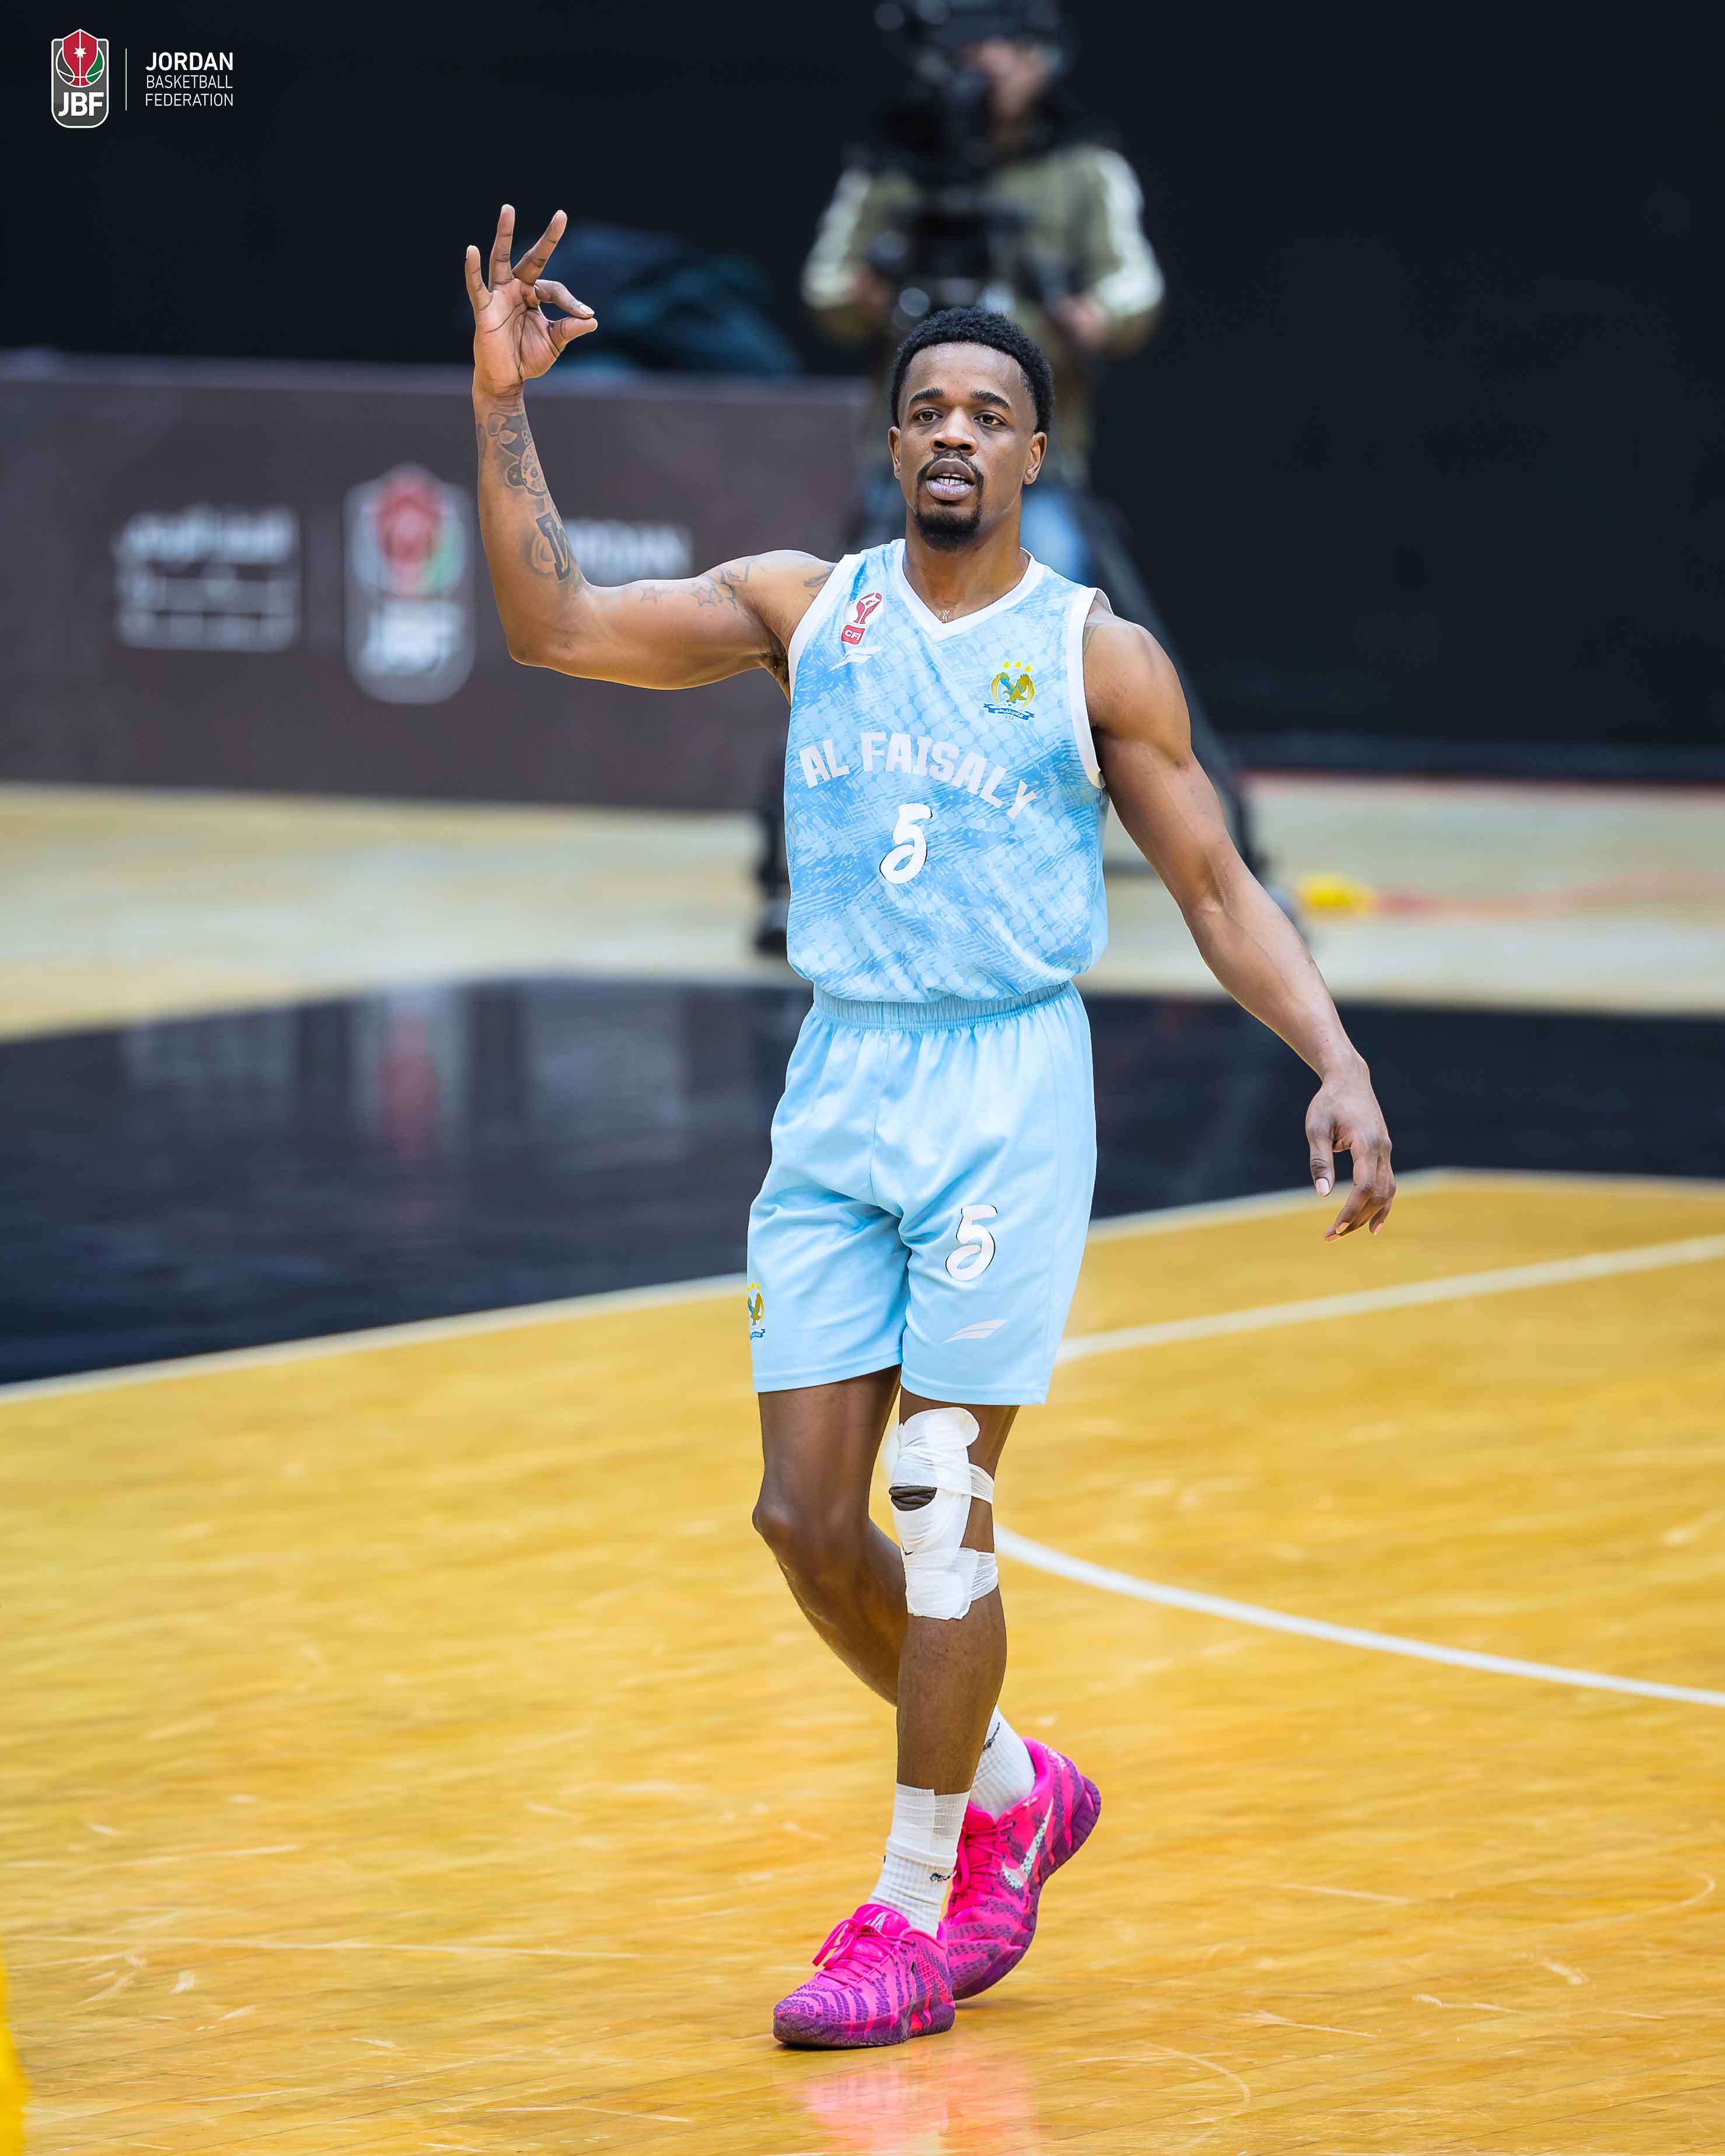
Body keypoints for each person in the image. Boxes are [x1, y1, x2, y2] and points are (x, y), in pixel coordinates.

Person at [466, 205, 1396, 2051]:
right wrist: (502, 407)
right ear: (890, 444)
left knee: (941, 1503)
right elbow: (553, 624)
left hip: (1002, 1089)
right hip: (842, 1084)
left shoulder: (1095, 656)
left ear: (1034, 454)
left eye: (989, 413)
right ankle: (1017, 1791)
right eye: (928, 411)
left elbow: (1215, 889)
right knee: (803, 1521)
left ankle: (906, 1911)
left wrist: (1335, 1057)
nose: (956, 433)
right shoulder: (803, 609)